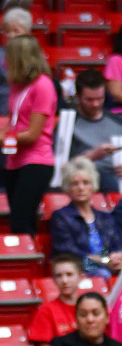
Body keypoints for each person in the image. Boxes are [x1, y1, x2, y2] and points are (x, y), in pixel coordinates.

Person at [2, 34, 57, 234]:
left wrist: (2, 137)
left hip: (36, 160)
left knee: (21, 222)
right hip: (13, 160)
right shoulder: (17, 85)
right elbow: (14, 122)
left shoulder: (43, 85)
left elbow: (33, 133)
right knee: (19, 221)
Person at [50, 157, 122, 278]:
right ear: (67, 188)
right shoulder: (61, 216)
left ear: (93, 186)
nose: (81, 188)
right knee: (102, 274)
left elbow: (116, 245)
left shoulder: (105, 217)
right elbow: (68, 251)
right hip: (78, 268)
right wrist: (103, 262)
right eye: (75, 184)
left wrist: (117, 257)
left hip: (106, 266)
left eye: (86, 183)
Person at [66, 68, 122, 193]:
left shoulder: (117, 123)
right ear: (78, 96)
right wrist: (92, 155)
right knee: (107, 180)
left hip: (119, 174)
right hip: (86, 176)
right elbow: (64, 166)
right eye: (89, 100)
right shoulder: (68, 124)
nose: (95, 104)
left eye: (100, 99)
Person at [28, 254, 85, 345]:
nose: (64, 281)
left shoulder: (91, 307)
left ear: (81, 277)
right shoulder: (46, 311)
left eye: (69, 274)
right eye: (59, 276)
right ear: (53, 279)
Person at [0, 6, 33, 116]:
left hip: (27, 110)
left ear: (27, 33)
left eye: (16, 31)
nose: (11, 35)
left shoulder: (35, 55)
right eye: (7, 31)